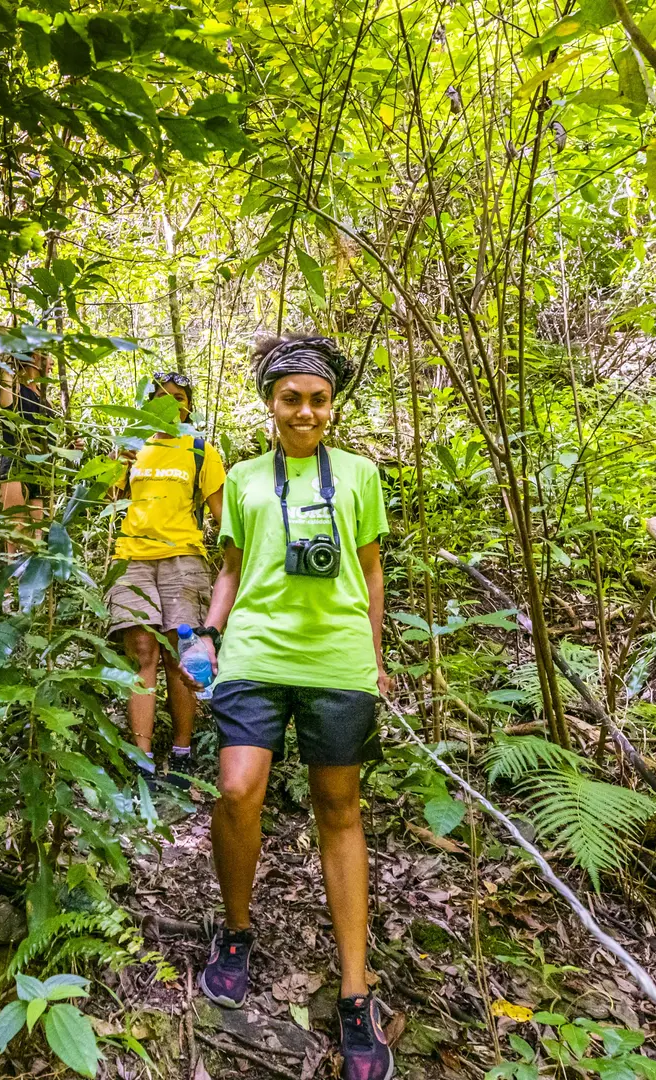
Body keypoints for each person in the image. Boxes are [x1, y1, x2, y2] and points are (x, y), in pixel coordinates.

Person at [187, 334, 395, 1080]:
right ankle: (236, 932)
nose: (305, 412)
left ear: (331, 405)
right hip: (254, 655)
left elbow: (371, 573)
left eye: (317, 399)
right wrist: (210, 633)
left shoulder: (363, 475)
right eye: (291, 398)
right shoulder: (243, 478)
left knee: (338, 807)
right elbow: (233, 568)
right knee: (237, 790)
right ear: (270, 403)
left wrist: (374, 657)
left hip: (336, 659)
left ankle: (353, 989)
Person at [105, 373, 226, 788]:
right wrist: (114, 465)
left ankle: (181, 752)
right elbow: (107, 501)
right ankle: (140, 757)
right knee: (143, 655)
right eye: (159, 397)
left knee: (179, 656)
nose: (169, 404)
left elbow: (220, 516)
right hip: (132, 558)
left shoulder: (199, 450)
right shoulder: (132, 449)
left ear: (188, 406)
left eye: (178, 398)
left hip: (183, 559)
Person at [0, 349, 53, 551]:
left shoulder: (45, 400)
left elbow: (50, 440)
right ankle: (9, 581)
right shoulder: (15, 390)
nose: (52, 363)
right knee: (14, 535)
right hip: (16, 463)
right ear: (36, 358)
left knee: (36, 538)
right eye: (49, 357)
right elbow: (6, 407)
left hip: (40, 470)